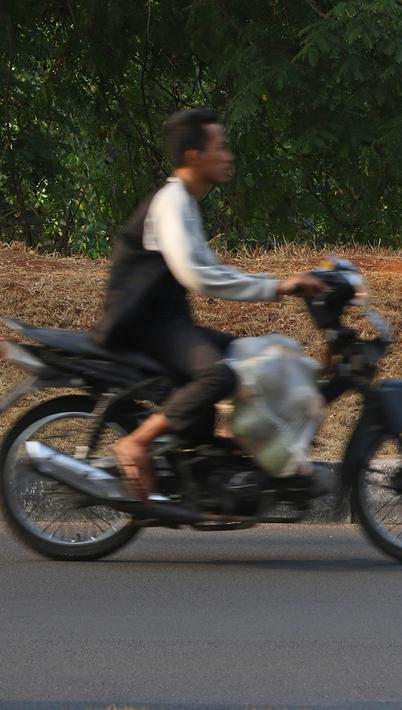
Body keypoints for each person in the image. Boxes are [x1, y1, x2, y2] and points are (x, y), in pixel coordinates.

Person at [91, 108, 325, 500]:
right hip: (144, 325)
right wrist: (277, 287)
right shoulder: (170, 202)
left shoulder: (185, 201)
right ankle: (137, 441)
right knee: (221, 375)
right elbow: (197, 276)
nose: (228, 155)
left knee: (258, 354)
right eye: (220, 147)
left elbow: (210, 267)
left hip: (168, 322)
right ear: (194, 156)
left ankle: (231, 452)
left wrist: (280, 285)